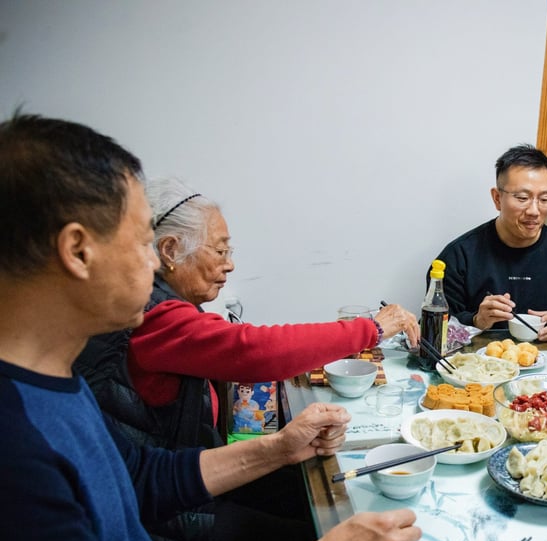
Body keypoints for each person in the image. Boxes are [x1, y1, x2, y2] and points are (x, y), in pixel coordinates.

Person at [0, 113, 421, 541]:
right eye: (144, 241)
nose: (155, 261)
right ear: (78, 251)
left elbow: (139, 479)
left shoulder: (55, 375)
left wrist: (278, 448)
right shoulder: (17, 451)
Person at [76, 176, 421, 451]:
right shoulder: (151, 315)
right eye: (221, 250)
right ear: (169, 250)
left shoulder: (162, 303)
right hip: (174, 515)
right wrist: (372, 328)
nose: (230, 264)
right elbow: (250, 350)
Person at [433, 144, 547, 341]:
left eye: (545, 199)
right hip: (477, 367)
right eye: (522, 198)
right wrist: (477, 320)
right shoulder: (459, 256)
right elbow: (434, 327)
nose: (534, 211)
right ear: (497, 198)